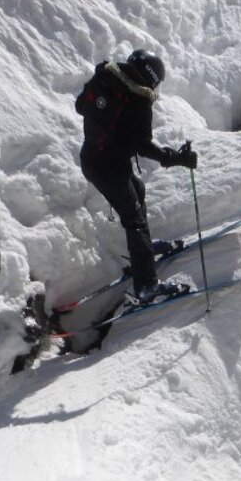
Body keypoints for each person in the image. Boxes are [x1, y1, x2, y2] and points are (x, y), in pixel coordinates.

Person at [76, 49, 199, 304]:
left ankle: (142, 250)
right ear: (152, 79)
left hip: (93, 159)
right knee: (135, 221)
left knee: (138, 191)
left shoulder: (106, 78)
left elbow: (80, 106)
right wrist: (177, 158)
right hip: (108, 169)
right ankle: (147, 287)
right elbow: (144, 146)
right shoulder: (139, 99)